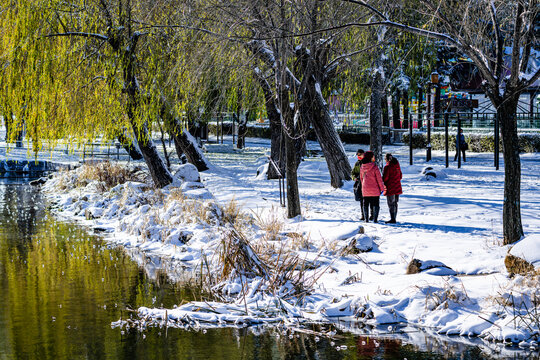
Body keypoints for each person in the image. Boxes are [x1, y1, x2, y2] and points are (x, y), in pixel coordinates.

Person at [360, 151, 384, 223]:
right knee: (376, 204)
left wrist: (363, 186)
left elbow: (361, 178)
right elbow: (379, 179)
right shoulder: (374, 167)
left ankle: (366, 219)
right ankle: (375, 219)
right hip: (375, 189)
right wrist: (382, 188)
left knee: (365, 204)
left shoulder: (362, 166)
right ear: (370, 157)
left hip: (365, 188)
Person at [383, 153, 403, 224]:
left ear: (387, 159)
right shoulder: (397, 165)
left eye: (385, 159)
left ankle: (392, 219)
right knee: (395, 203)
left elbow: (385, 178)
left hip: (390, 187)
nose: (385, 160)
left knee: (391, 203)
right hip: (397, 187)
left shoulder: (387, 167)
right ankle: (394, 217)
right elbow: (400, 176)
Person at [351, 149, 365, 220]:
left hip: (367, 183)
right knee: (361, 200)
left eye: (360, 154)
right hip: (359, 184)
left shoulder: (367, 162)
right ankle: (363, 215)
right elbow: (352, 173)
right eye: (357, 155)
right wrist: (355, 178)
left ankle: (371, 215)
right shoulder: (357, 163)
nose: (358, 156)